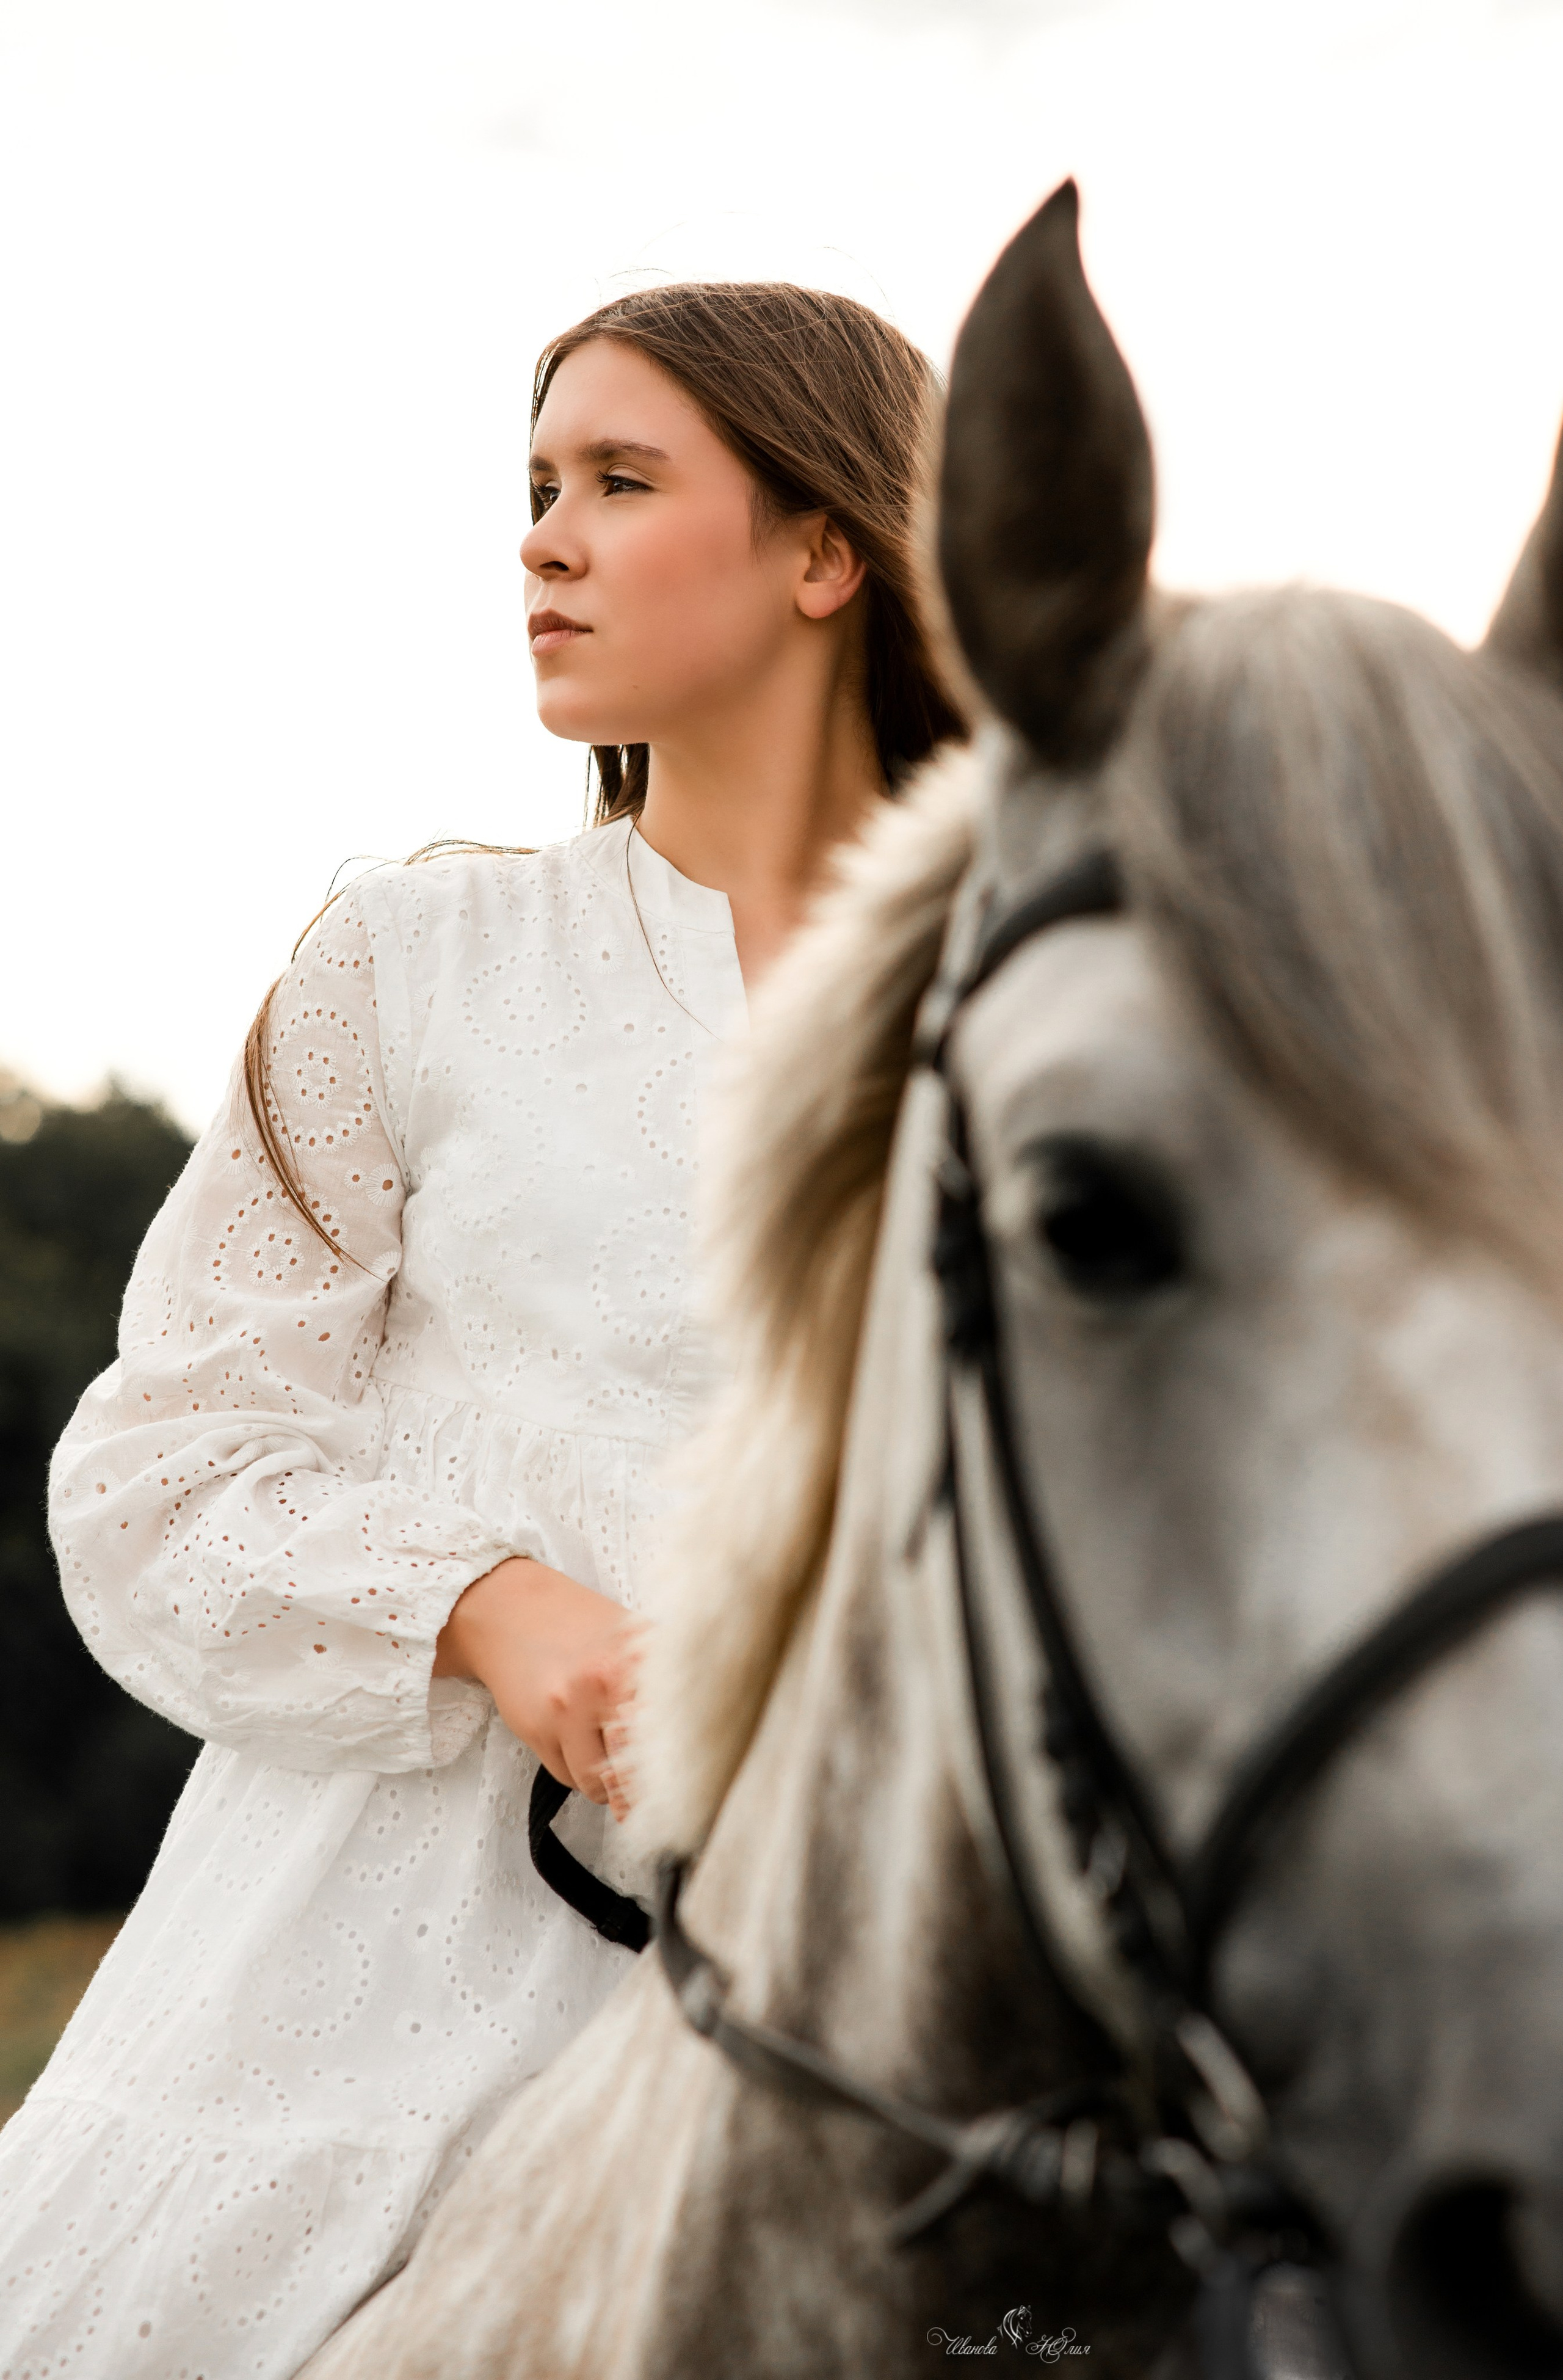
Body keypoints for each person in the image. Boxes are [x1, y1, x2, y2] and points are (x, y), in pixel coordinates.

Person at [0, 282, 963, 2378]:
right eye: (537, 488)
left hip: (890, 2020)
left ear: (830, 550)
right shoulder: (417, 964)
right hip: (359, 1996)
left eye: (622, 482)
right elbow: (163, 1467)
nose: (542, 537)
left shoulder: (1035, 1012)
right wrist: (490, 1602)